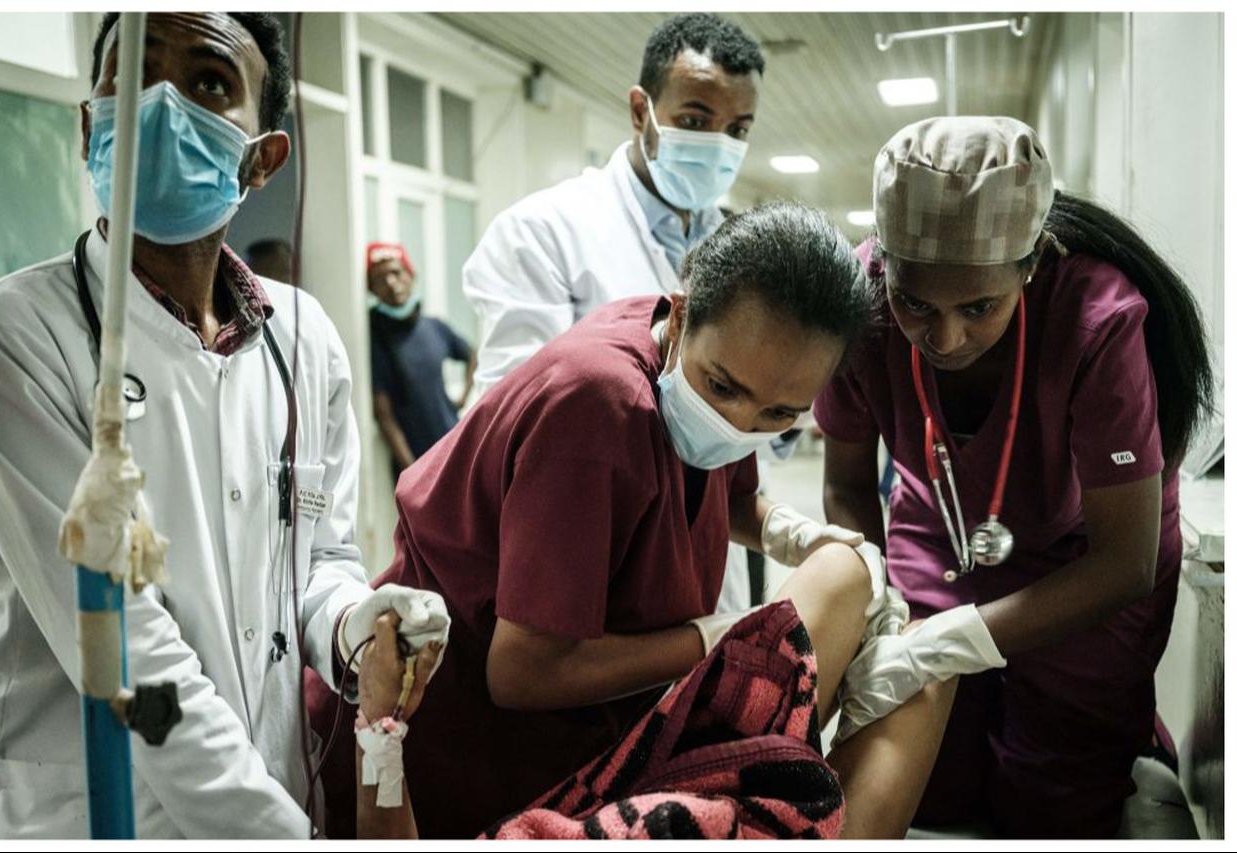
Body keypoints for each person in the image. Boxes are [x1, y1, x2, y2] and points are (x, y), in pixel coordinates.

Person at [0, 12, 444, 838]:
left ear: (263, 158)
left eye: (208, 84)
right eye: (131, 79)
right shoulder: (10, 337)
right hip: (83, 811)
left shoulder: (303, 336)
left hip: (270, 790)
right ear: (89, 127)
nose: (158, 105)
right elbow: (124, 649)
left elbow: (316, 557)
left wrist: (355, 627)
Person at [358, 202, 955, 838]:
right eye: (722, 389)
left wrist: (793, 534)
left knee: (920, 667)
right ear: (684, 312)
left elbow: (719, 487)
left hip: (601, 729)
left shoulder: (704, 354)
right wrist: (722, 636)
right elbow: (521, 672)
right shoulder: (595, 406)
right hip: (484, 753)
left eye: (780, 413)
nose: (739, 425)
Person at [818, 116, 1214, 838]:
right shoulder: (862, 300)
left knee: (1055, 781)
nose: (945, 339)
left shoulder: (1096, 319)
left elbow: (1124, 562)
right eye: (915, 305)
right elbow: (847, 484)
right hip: (939, 533)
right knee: (925, 767)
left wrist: (946, 642)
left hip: (1088, 562)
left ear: (1029, 265)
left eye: (979, 307)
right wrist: (871, 602)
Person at [463, 11, 768, 613]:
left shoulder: (742, 248)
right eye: (695, 121)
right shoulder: (545, 233)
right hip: (592, 556)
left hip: (707, 548)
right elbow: (521, 420)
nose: (719, 145)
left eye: (738, 129)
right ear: (640, 112)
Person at [365, 242, 476, 479]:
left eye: (396, 273)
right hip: (418, 463)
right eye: (379, 279)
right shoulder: (376, 340)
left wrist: (463, 398)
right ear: (372, 290)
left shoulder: (433, 327)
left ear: (411, 275)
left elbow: (472, 354)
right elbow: (384, 416)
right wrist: (414, 472)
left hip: (454, 444)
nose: (391, 283)